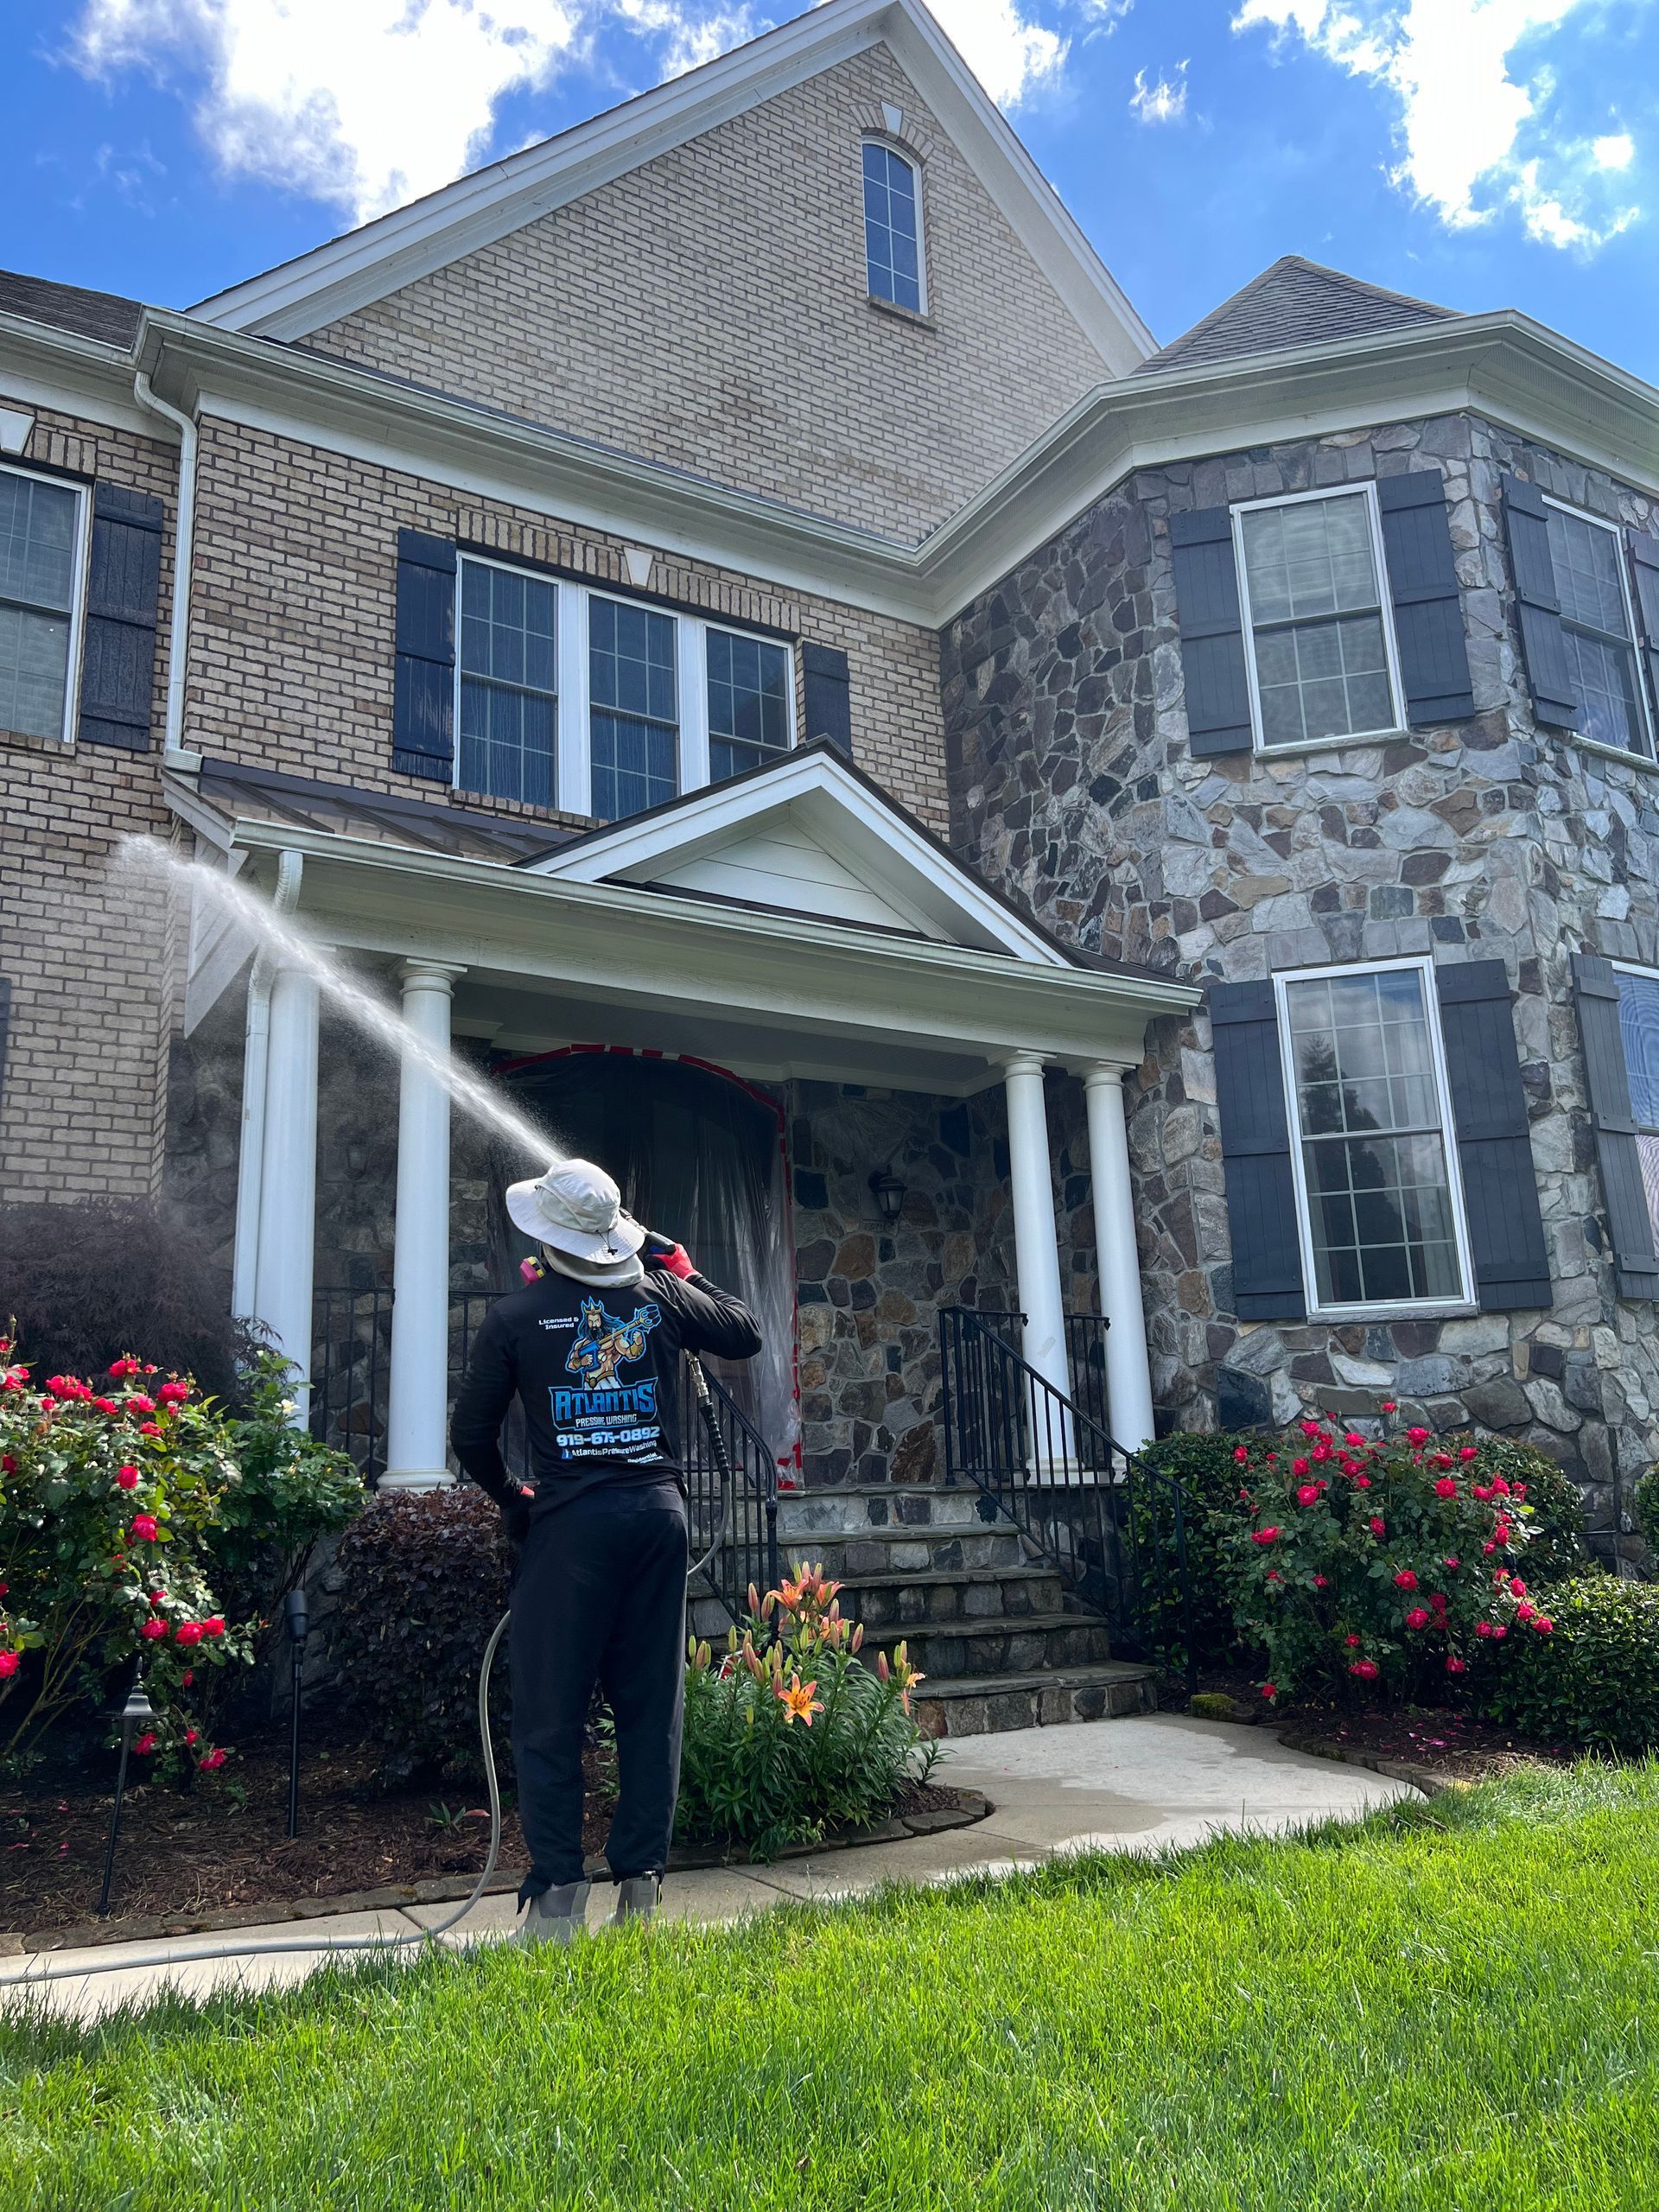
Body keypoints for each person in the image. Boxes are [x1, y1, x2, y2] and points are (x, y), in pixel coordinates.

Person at [451, 1157, 762, 1946]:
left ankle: (557, 1899)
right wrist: (677, 1262)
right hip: (657, 1520)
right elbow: (743, 1328)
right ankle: (640, 1898)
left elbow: (470, 1438)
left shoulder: (517, 1316)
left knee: (553, 1710)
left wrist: (513, 1499)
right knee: (650, 1709)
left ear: (546, 1236)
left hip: (570, 1529)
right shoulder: (656, 1297)